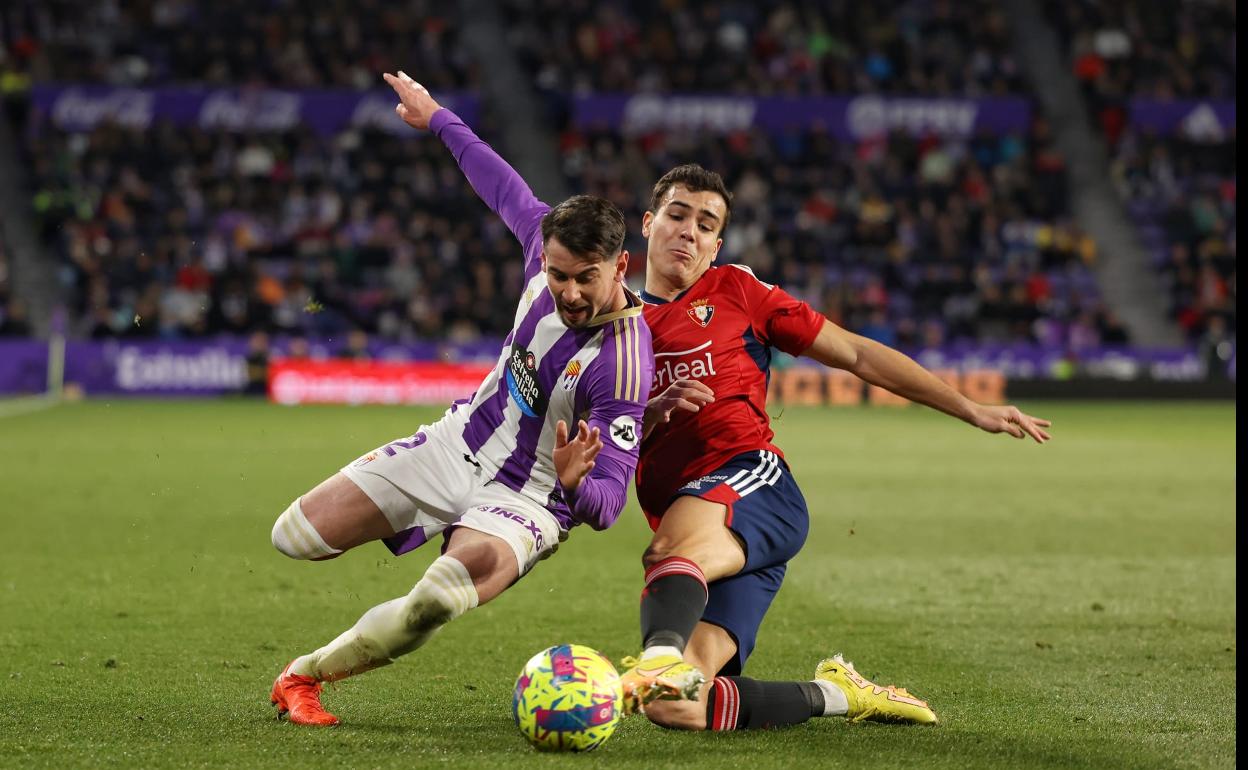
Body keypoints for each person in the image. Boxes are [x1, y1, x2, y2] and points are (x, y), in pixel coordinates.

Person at [267, 71, 654, 726]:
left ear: (620, 267)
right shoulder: (542, 248)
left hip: (527, 499)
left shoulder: (623, 367)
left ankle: (302, 677)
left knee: (435, 602)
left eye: (586, 278)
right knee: (295, 536)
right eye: (558, 275)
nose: (568, 292)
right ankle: (427, 519)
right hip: (455, 445)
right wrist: (441, 119)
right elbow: (502, 185)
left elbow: (610, 505)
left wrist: (575, 486)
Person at [620, 164, 1052, 731]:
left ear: (716, 245)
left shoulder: (737, 291)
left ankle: (655, 661)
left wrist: (969, 408)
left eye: (706, 224)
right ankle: (839, 694)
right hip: (703, 528)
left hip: (752, 485)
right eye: (677, 215)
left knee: (670, 552)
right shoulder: (615, 325)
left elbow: (856, 354)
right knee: (677, 706)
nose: (688, 232)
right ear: (649, 224)